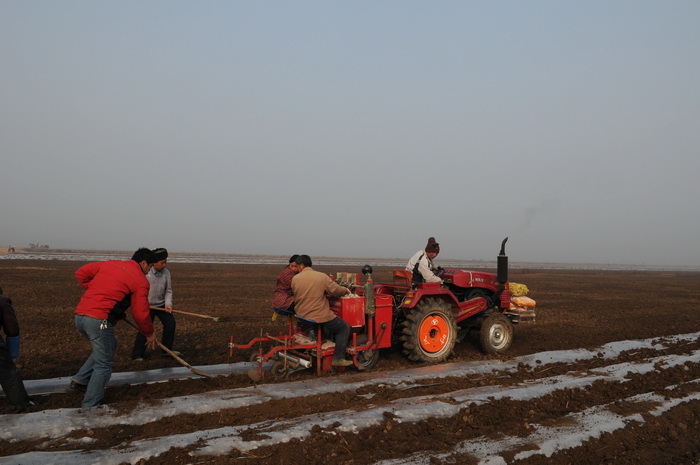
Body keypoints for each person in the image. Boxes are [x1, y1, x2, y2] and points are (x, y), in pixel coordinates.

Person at [71, 248, 158, 408]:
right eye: (150, 266)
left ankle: (81, 379)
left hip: (80, 316)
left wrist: (98, 293)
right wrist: (149, 333)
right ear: (143, 263)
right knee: (104, 363)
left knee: (110, 345)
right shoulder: (140, 281)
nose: (149, 271)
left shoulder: (110, 264)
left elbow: (81, 273)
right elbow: (140, 313)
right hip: (99, 321)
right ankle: (90, 405)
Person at [291, 254, 353, 367]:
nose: (297, 268)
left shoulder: (295, 279)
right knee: (343, 327)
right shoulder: (321, 277)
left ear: (302, 265)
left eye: (297, 266)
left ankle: (321, 338)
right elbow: (335, 290)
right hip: (316, 315)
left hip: (301, 313)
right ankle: (338, 358)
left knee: (320, 318)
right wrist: (345, 290)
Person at [131, 248, 178, 361]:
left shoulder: (166, 273)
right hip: (147, 306)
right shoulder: (146, 272)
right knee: (145, 328)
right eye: (162, 263)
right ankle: (137, 354)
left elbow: (168, 290)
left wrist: (168, 304)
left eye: (165, 262)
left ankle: (167, 351)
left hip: (161, 305)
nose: (164, 265)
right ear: (154, 263)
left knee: (170, 324)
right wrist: (143, 304)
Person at [0, 286, 32, 412]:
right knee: (8, 373)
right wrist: (13, 354)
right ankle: (22, 403)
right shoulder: (2, 301)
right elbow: (12, 330)